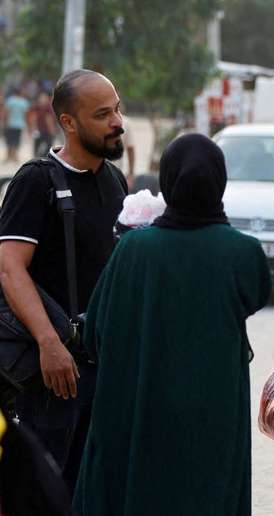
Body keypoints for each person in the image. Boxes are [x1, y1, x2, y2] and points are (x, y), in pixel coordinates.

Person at [72, 133, 271, 515]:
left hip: (138, 410)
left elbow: (95, 330)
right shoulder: (243, 252)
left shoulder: (133, 249)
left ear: (168, 180)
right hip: (213, 415)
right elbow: (256, 295)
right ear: (219, 182)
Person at [0, 69, 127, 492]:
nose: (117, 122)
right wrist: (49, 343)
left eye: (118, 109)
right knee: (47, 491)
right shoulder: (36, 181)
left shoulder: (114, 181)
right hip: (54, 371)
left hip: (104, 367)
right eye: (103, 114)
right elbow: (9, 268)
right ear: (68, 123)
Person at [3, 89, 30, 162]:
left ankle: (9, 156)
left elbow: (6, 113)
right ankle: (15, 156)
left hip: (10, 124)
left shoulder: (10, 101)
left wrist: (5, 122)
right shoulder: (24, 102)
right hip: (20, 124)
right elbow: (26, 115)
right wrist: (28, 125)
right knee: (17, 140)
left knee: (9, 140)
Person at [30, 92, 57, 157]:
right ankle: (40, 158)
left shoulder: (45, 107)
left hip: (43, 130)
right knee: (46, 146)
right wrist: (52, 130)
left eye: (43, 98)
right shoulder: (45, 107)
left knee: (42, 146)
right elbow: (48, 119)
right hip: (43, 130)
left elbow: (33, 118)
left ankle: (39, 158)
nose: (42, 99)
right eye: (41, 98)